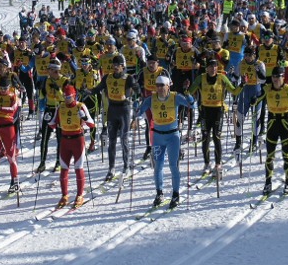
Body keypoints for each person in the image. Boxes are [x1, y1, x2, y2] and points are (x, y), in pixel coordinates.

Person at [134, 74, 194, 209]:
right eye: (158, 85)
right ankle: (159, 193)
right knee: (158, 166)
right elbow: (138, 113)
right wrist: (135, 105)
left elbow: (192, 105)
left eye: (162, 85)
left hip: (173, 136)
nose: (160, 88)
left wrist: (187, 93)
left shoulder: (175, 97)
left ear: (168, 86)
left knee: (173, 166)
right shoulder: (151, 99)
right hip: (157, 137)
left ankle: (175, 194)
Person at [253, 66, 288, 195]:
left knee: (286, 155)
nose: (276, 79)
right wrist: (254, 99)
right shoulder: (267, 88)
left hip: (285, 122)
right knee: (270, 156)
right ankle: (268, 183)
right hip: (272, 123)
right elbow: (257, 99)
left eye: (279, 77)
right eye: (274, 77)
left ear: (283, 77)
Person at [187, 56, 241, 176]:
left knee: (216, 136)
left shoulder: (222, 78)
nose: (213, 69)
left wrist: (243, 84)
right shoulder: (201, 78)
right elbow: (190, 92)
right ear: (207, 68)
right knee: (205, 137)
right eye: (211, 67)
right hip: (205, 111)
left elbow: (235, 91)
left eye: (215, 66)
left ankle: (218, 164)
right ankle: (207, 163)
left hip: (218, 111)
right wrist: (186, 89)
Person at [48, 84, 96, 208]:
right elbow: (53, 124)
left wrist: (84, 117)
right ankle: (64, 195)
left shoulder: (81, 106)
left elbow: (92, 125)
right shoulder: (61, 107)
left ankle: (79, 195)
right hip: (65, 140)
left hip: (78, 140)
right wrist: (47, 119)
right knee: (64, 168)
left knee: (78, 167)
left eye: (69, 97)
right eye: (65, 96)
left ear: (74, 96)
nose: (67, 99)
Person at [94, 55, 138, 180]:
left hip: (124, 109)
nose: (115, 67)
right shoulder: (107, 77)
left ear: (123, 66)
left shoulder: (128, 78)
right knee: (111, 140)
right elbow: (98, 88)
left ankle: (126, 166)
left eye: (118, 65)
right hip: (112, 109)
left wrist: (133, 95)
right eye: (114, 65)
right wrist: (87, 91)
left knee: (124, 139)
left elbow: (137, 90)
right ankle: (111, 168)